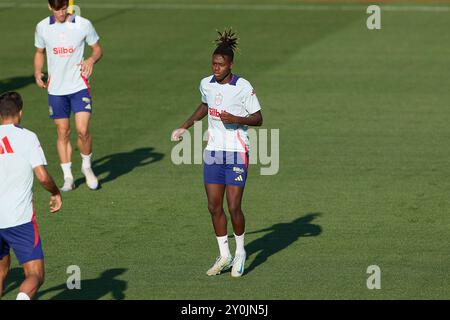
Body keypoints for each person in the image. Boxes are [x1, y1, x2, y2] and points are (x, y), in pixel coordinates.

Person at [172, 28, 263, 277]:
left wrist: (234, 118)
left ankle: (241, 252)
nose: (216, 68)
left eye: (221, 65)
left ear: (230, 65)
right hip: (213, 152)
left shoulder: (243, 87)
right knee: (214, 206)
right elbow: (205, 105)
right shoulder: (206, 84)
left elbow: (258, 118)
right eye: (213, 64)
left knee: (234, 206)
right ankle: (224, 255)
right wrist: (185, 126)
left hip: (236, 151)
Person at [34, 0, 103, 191]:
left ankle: (87, 167)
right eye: (57, 10)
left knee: (83, 130)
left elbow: (97, 49)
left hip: (79, 86)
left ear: (68, 7)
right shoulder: (42, 27)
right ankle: (68, 177)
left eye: (64, 9)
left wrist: (90, 60)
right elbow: (39, 52)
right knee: (62, 132)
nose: (61, 13)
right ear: (50, 7)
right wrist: (38, 71)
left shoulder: (83, 25)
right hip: (56, 90)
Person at [0, 92, 62, 300]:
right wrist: (55, 192)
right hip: (20, 219)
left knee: (0, 273)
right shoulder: (27, 137)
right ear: (20, 113)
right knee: (35, 274)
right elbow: (43, 177)